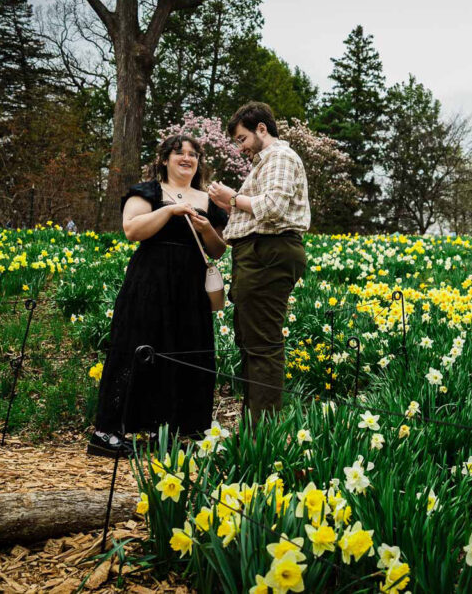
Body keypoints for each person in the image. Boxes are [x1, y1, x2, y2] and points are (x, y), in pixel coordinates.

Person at [88, 134, 228, 457]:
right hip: (150, 284)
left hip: (190, 289)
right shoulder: (148, 191)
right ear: (164, 160)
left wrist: (205, 226)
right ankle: (107, 432)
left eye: (193, 154)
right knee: (136, 348)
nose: (186, 158)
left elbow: (218, 249)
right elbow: (131, 229)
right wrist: (169, 212)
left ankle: (176, 431)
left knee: (187, 350)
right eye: (179, 153)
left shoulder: (207, 200)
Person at [208, 102, 310, 427]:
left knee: (262, 344)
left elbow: (272, 207)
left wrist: (231, 197)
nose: (240, 147)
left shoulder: (279, 156)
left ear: (261, 129)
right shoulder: (263, 163)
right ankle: (256, 429)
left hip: (268, 253)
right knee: (252, 341)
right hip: (259, 253)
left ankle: (263, 437)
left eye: (242, 138)